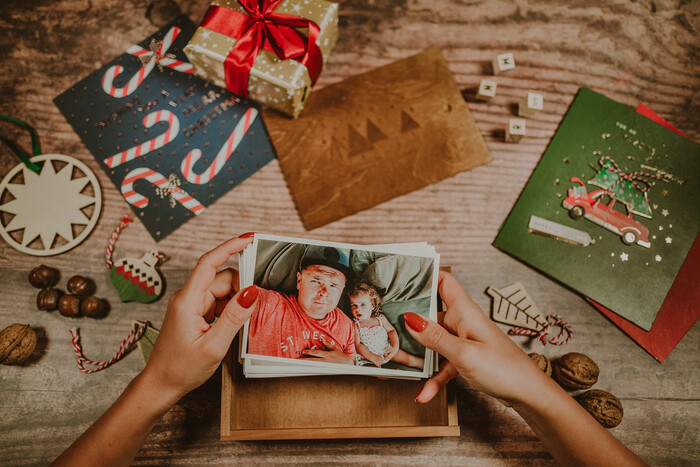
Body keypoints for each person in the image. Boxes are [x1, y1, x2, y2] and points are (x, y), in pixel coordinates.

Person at [52, 235, 645, 466]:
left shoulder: (344, 321)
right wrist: (162, 384)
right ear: (299, 280)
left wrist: (367, 351)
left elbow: (369, 356)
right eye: (314, 278)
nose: (323, 289)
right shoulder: (267, 301)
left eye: (334, 285)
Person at [247, 244, 356, 364]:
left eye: (333, 285)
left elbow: (354, 365)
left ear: (342, 289)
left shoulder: (347, 326)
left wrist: (348, 364)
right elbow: (230, 279)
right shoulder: (270, 305)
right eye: (316, 281)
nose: (324, 292)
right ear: (299, 280)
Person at [348, 278, 424, 370]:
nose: (358, 309)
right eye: (354, 305)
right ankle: (390, 374)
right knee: (373, 370)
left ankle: (427, 364)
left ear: (372, 305)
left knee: (408, 359)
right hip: (368, 358)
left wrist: (394, 348)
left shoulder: (380, 318)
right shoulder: (356, 324)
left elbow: (391, 331)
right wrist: (373, 358)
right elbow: (358, 345)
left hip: (387, 350)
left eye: (363, 304)